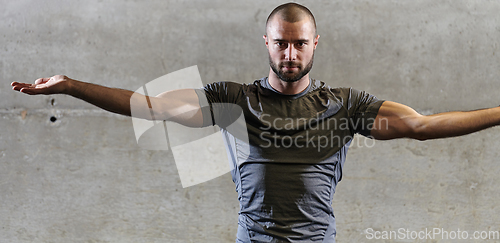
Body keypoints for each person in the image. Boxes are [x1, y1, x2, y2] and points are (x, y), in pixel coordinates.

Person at [10, 2, 500, 243]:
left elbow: (422, 125)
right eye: (281, 43)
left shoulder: (346, 104)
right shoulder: (233, 100)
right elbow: (152, 107)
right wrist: (72, 85)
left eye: (299, 43)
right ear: (266, 43)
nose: (290, 53)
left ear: (314, 44)